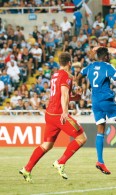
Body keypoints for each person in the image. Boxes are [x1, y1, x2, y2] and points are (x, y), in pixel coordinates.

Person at [19, 52, 87, 183]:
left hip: (50, 114)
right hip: (59, 114)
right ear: (69, 63)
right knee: (82, 138)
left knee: (47, 145)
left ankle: (27, 169)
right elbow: (64, 95)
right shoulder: (66, 76)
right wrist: (65, 112)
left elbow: (61, 94)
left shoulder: (55, 75)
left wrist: (77, 96)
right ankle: (60, 162)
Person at [77, 47, 116, 175]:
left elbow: (79, 75)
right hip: (106, 100)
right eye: (108, 55)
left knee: (101, 130)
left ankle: (100, 161)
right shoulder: (107, 66)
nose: (110, 57)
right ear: (105, 57)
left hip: (95, 102)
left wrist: (78, 86)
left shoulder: (90, 66)